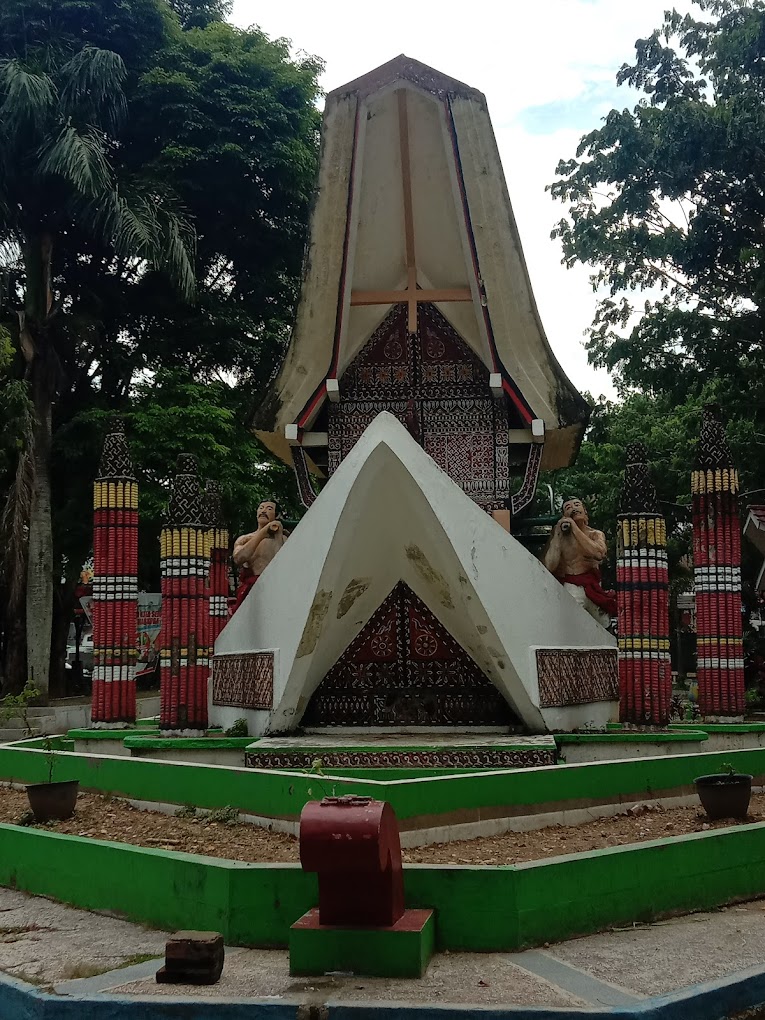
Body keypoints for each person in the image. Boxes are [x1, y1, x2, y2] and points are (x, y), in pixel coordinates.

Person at [543, 497, 616, 627]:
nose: (574, 509)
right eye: (569, 507)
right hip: (573, 585)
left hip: (593, 585)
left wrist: (575, 529)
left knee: (604, 624)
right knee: (573, 620)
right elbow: (550, 566)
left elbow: (599, 554)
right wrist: (557, 536)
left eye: (577, 505)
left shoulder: (595, 534)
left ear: (585, 511)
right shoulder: (560, 536)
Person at [229, 500, 288, 615]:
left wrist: (278, 533)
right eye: (261, 508)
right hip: (252, 590)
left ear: (276, 516)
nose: (264, 511)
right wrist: (262, 533)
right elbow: (239, 558)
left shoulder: (284, 540)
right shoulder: (245, 539)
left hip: (275, 589)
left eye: (269, 509)